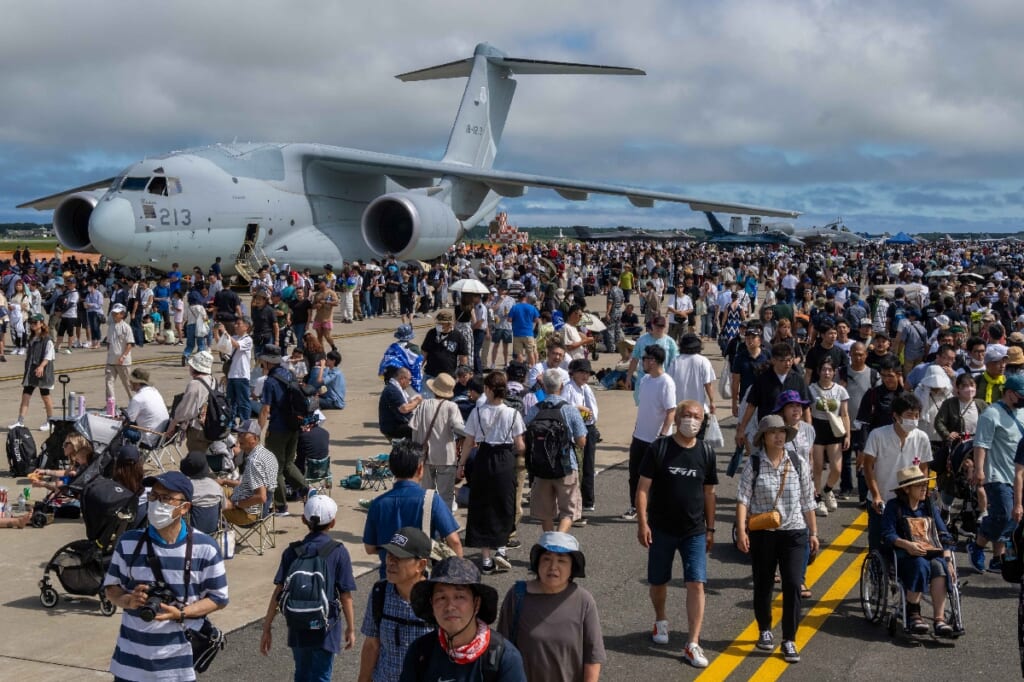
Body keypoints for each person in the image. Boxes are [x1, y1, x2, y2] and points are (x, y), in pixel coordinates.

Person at [102, 471, 229, 681]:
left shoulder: (205, 547)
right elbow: (111, 589)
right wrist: (128, 600)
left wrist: (182, 613)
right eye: (153, 496)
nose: (157, 503)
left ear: (184, 507)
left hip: (176, 668)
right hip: (129, 665)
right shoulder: (128, 543)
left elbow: (219, 598)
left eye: (166, 498)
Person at [635, 400, 717, 667]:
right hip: (661, 528)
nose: (691, 420)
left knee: (696, 583)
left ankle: (693, 643)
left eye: (697, 416)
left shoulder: (706, 451)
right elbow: (643, 488)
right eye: (687, 415)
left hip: (693, 531)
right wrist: (642, 523)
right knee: (658, 582)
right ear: (678, 417)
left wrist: (711, 528)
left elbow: (709, 493)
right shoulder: (660, 448)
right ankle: (661, 620)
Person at [735, 415, 819, 664]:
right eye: (773, 433)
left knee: (793, 584)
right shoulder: (754, 464)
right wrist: (741, 530)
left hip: (794, 533)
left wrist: (813, 532)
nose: (779, 436)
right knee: (763, 585)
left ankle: (790, 639)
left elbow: (808, 501)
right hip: (763, 533)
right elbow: (743, 499)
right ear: (763, 438)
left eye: (782, 432)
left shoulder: (797, 461)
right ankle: (764, 629)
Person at [259, 495, 356, 681]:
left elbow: (278, 592)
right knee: (321, 675)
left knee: (302, 673)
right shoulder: (338, 551)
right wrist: (351, 628)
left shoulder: (292, 551)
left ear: (304, 519)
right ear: (333, 523)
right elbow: (346, 595)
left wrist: (267, 627)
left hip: (298, 624)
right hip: (326, 627)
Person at [496, 532, 606, 680]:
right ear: (538, 563)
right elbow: (502, 649)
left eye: (561, 561)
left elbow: (593, 657)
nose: (553, 566)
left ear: (572, 567)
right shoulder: (517, 595)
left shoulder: (584, 601)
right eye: (546, 559)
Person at [401, 557, 526, 682]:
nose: (450, 606)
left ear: (476, 603)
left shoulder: (504, 657)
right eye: (441, 598)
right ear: (431, 604)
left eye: (459, 596)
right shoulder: (420, 651)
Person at [363, 440, 463, 579]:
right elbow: (455, 541)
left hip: (389, 578)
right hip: (421, 577)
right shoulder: (431, 500)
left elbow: (370, 548)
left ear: (391, 469)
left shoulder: (378, 504)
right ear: (420, 468)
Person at [459, 370, 526, 574]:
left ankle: (486, 559)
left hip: (483, 458)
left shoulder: (477, 412)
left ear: (487, 389)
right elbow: (520, 445)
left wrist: (461, 464)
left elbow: (469, 442)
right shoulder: (512, 413)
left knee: (482, 506)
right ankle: (502, 549)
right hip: (505, 459)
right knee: (504, 504)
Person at [881, 466, 956, 637]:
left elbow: (943, 534)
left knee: (939, 567)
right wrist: (907, 545)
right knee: (920, 564)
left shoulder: (929, 506)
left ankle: (939, 619)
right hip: (905, 553)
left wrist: (948, 560)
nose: (924, 489)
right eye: (919, 485)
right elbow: (887, 534)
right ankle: (913, 612)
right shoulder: (894, 506)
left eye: (925, 485)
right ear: (906, 489)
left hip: (931, 552)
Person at [357, 527, 435, 682]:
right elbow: (372, 644)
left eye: (399, 556)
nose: (390, 561)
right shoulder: (380, 592)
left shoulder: (437, 599)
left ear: (421, 565)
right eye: (389, 554)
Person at [862, 392, 933, 550]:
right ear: (896, 415)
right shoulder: (878, 435)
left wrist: (923, 493)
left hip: (908, 503)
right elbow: (868, 466)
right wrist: (876, 495)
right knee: (878, 545)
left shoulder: (922, 437)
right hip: (882, 501)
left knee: (910, 546)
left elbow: (924, 468)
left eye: (916, 415)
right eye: (909, 415)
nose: (913, 419)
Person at [969, 373, 1024, 573]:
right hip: (996, 474)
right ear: (1009, 393)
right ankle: (977, 545)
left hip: (1018, 474)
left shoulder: (1022, 412)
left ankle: (997, 558)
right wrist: (979, 470)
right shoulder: (991, 414)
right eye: (1020, 396)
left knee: (1014, 519)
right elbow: (981, 444)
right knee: (1004, 514)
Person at [525, 368, 587, 532]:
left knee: (546, 513)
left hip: (540, 467)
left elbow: (524, 431)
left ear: (544, 387)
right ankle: (558, 542)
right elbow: (582, 441)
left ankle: (548, 542)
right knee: (568, 511)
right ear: (561, 386)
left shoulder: (535, 410)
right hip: (566, 466)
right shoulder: (570, 410)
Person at [624, 344, 677, 520]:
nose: (643, 362)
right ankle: (635, 506)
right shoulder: (646, 380)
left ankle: (655, 509)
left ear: (653, 361)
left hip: (656, 439)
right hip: (639, 435)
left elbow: (671, 411)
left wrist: (662, 435)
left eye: (645, 359)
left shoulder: (666, 382)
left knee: (655, 478)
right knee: (634, 474)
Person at [257, 344, 309, 516]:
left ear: (267, 362)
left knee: (274, 468)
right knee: (288, 463)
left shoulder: (270, 382)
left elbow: (265, 409)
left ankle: (280, 506)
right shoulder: (289, 374)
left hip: (278, 429)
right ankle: (306, 491)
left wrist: (258, 431)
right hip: (294, 426)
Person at [409, 372, 465, 511]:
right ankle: (445, 527)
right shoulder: (451, 407)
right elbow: (458, 427)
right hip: (446, 457)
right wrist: (473, 434)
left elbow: (414, 429)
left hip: (426, 457)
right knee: (446, 497)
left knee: (426, 495)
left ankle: (427, 524)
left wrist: (417, 454)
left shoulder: (423, 405)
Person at [808, 359, 851, 516]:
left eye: (829, 370)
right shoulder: (811, 389)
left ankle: (828, 490)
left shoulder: (840, 390)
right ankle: (817, 498)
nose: (826, 373)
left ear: (834, 373)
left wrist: (847, 435)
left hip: (834, 430)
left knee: (837, 468)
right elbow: (807, 412)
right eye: (824, 369)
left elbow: (845, 414)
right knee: (818, 466)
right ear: (819, 372)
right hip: (817, 429)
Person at [220, 419, 279, 524]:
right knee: (216, 489)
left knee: (209, 502)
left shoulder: (254, 462)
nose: (239, 438)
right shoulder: (267, 454)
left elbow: (261, 497)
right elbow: (253, 485)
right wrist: (225, 481)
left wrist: (235, 504)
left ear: (255, 438)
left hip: (249, 514)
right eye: (239, 434)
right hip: (262, 507)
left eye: (243, 435)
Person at [564, 358, 600, 514]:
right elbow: (565, 407)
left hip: (589, 427)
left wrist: (589, 416)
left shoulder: (586, 388)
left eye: (587, 373)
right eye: (582, 372)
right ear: (573, 373)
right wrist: (579, 408)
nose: (585, 376)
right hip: (575, 430)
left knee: (589, 465)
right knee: (576, 465)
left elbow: (594, 410)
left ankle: (588, 500)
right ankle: (576, 499)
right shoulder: (569, 388)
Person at [165, 351, 218, 453]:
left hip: (197, 429)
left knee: (196, 459)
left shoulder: (194, 384)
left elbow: (185, 412)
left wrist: (172, 425)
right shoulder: (213, 380)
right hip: (210, 426)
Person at [9, 313, 54, 431]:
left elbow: (49, 356)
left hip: (42, 372)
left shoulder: (47, 340)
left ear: (42, 324)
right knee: (25, 396)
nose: (32, 325)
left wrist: (41, 367)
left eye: (35, 323)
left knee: (46, 397)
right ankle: (20, 421)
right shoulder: (31, 338)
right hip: (31, 372)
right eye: (31, 323)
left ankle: (50, 421)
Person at [213, 314, 254, 425]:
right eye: (236, 323)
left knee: (243, 402)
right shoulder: (234, 337)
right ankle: (231, 424)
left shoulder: (248, 339)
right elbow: (222, 346)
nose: (236, 326)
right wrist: (216, 331)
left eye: (238, 324)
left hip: (242, 375)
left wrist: (225, 331)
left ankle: (245, 424)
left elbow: (236, 345)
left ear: (246, 326)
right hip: (231, 374)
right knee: (230, 402)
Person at [125, 367, 170, 448]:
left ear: (137, 383)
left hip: (148, 438)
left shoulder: (138, 398)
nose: (129, 383)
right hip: (161, 435)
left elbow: (127, 420)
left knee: (117, 429)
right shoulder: (154, 391)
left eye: (131, 381)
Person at [379, 367, 424, 440]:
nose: (410, 383)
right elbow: (404, 409)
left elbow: (402, 405)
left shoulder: (395, 388)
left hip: (397, 423)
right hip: (393, 427)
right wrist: (417, 401)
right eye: (409, 380)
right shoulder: (392, 390)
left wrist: (412, 403)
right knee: (421, 429)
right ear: (402, 379)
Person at [105, 302, 134, 405]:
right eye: (113, 313)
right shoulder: (111, 327)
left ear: (122, 314)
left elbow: (129, 344)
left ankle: (133, 401)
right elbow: (108, 342)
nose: (114, 315)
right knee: (109, 382)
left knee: (127, 383)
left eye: (116, 313)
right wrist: (109, 353)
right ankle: (110, 403)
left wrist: (123, 356)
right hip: (111, 360)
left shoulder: (126, 327)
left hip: (123, 362)